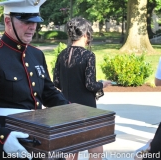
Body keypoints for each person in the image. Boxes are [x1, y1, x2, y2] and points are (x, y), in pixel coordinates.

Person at [0, 0, 69, 159]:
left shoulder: (36, 54)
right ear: (8, 21)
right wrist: (2, 137)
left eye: (35, 21)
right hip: (3, 143)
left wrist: (74, 112)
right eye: (26, 21)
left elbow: (49, 93)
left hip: (36, 139)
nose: (32, 26)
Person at [53, 17, 112, 160]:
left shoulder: (62, 54)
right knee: (95, 143)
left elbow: (56, 82)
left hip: (66, 105)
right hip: (86, 107)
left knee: (71, 146)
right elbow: (90, 84)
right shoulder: (88, 55)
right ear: (86, 34)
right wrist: (102, 84)